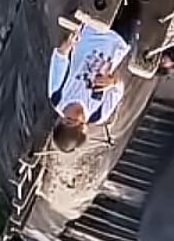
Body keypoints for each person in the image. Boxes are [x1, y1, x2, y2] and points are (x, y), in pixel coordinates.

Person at [47, 20, 129, 152]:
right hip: (119, 42)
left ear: (62, 119)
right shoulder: (98, 115)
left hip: (92, 31)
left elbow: (60, 57)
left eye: (71, 119)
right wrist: (112, 82)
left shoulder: (57, 95)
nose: (81, 117)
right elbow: (119, 88)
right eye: (83, 123)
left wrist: (69, 44)